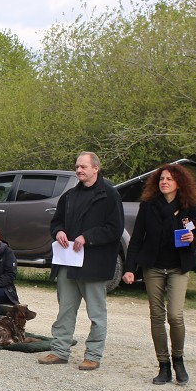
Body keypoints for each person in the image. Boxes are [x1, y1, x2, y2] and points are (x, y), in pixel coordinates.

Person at [38, 152, 125, 371]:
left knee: (96, 314)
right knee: (65, 310)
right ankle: (59, 351)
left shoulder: (110, 195)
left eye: (83, 167)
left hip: (94, 265)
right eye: (77, 167)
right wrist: (58, 232)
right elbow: (56, 222)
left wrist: (88, 237)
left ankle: (93, 355)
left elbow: (115, 229)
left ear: (96, 168)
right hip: (68, 262)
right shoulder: (69, 196)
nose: (79, 170)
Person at [122, 164, 196, 385]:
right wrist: (129, 268)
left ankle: (178, 360)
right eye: (161, 179)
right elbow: (136, 238)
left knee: (175, 316)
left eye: (169, 179)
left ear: (179, 183)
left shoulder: (189, 206)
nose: (164, 182)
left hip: (178, 267)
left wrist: (191, 240)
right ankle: (163, 366)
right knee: (156, 317)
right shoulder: (148, 206)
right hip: (153, 267)